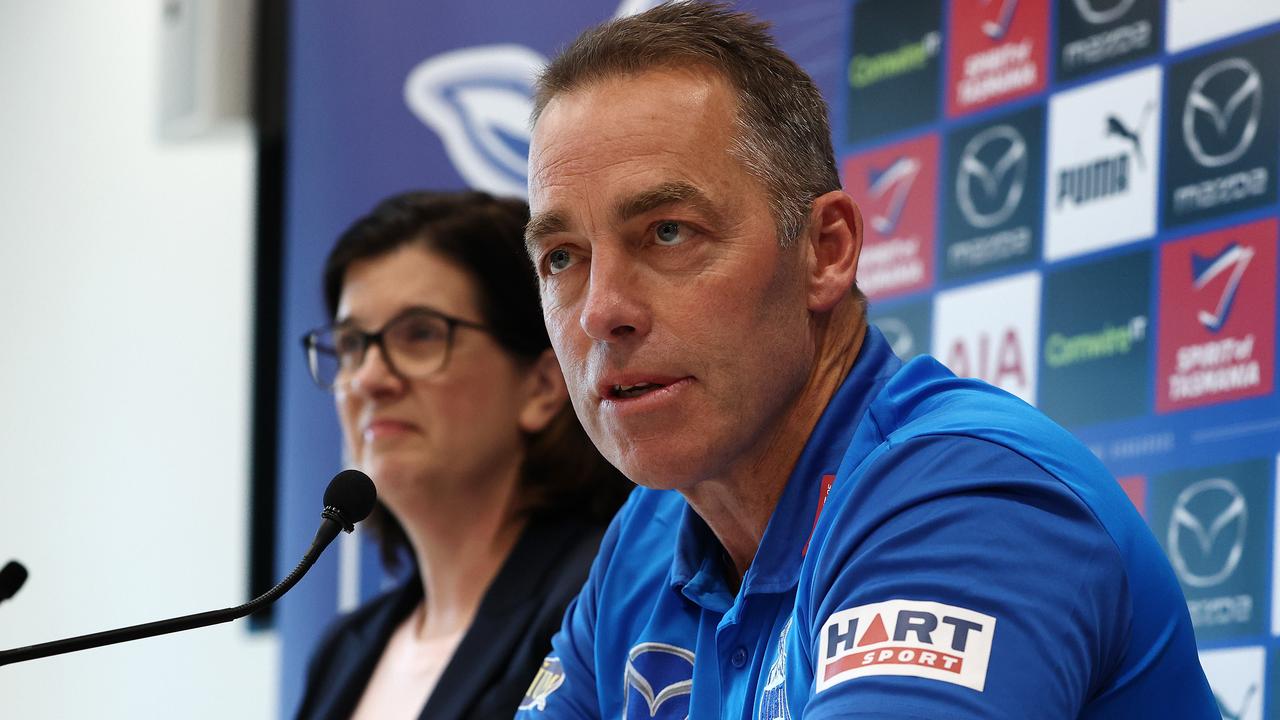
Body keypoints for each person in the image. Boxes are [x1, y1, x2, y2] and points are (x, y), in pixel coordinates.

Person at [515, 3, 1216, 719]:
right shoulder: (649, 536)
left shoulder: (966, 499)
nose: (601, 310)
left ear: (827, 250)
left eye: (667, 233)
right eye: (561, 257)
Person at [293, 190, 630, 720]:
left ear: (543, 386)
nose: (371, 379)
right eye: (353, 344)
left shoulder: (599, 597)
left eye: (421, 335)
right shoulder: (343, 650)